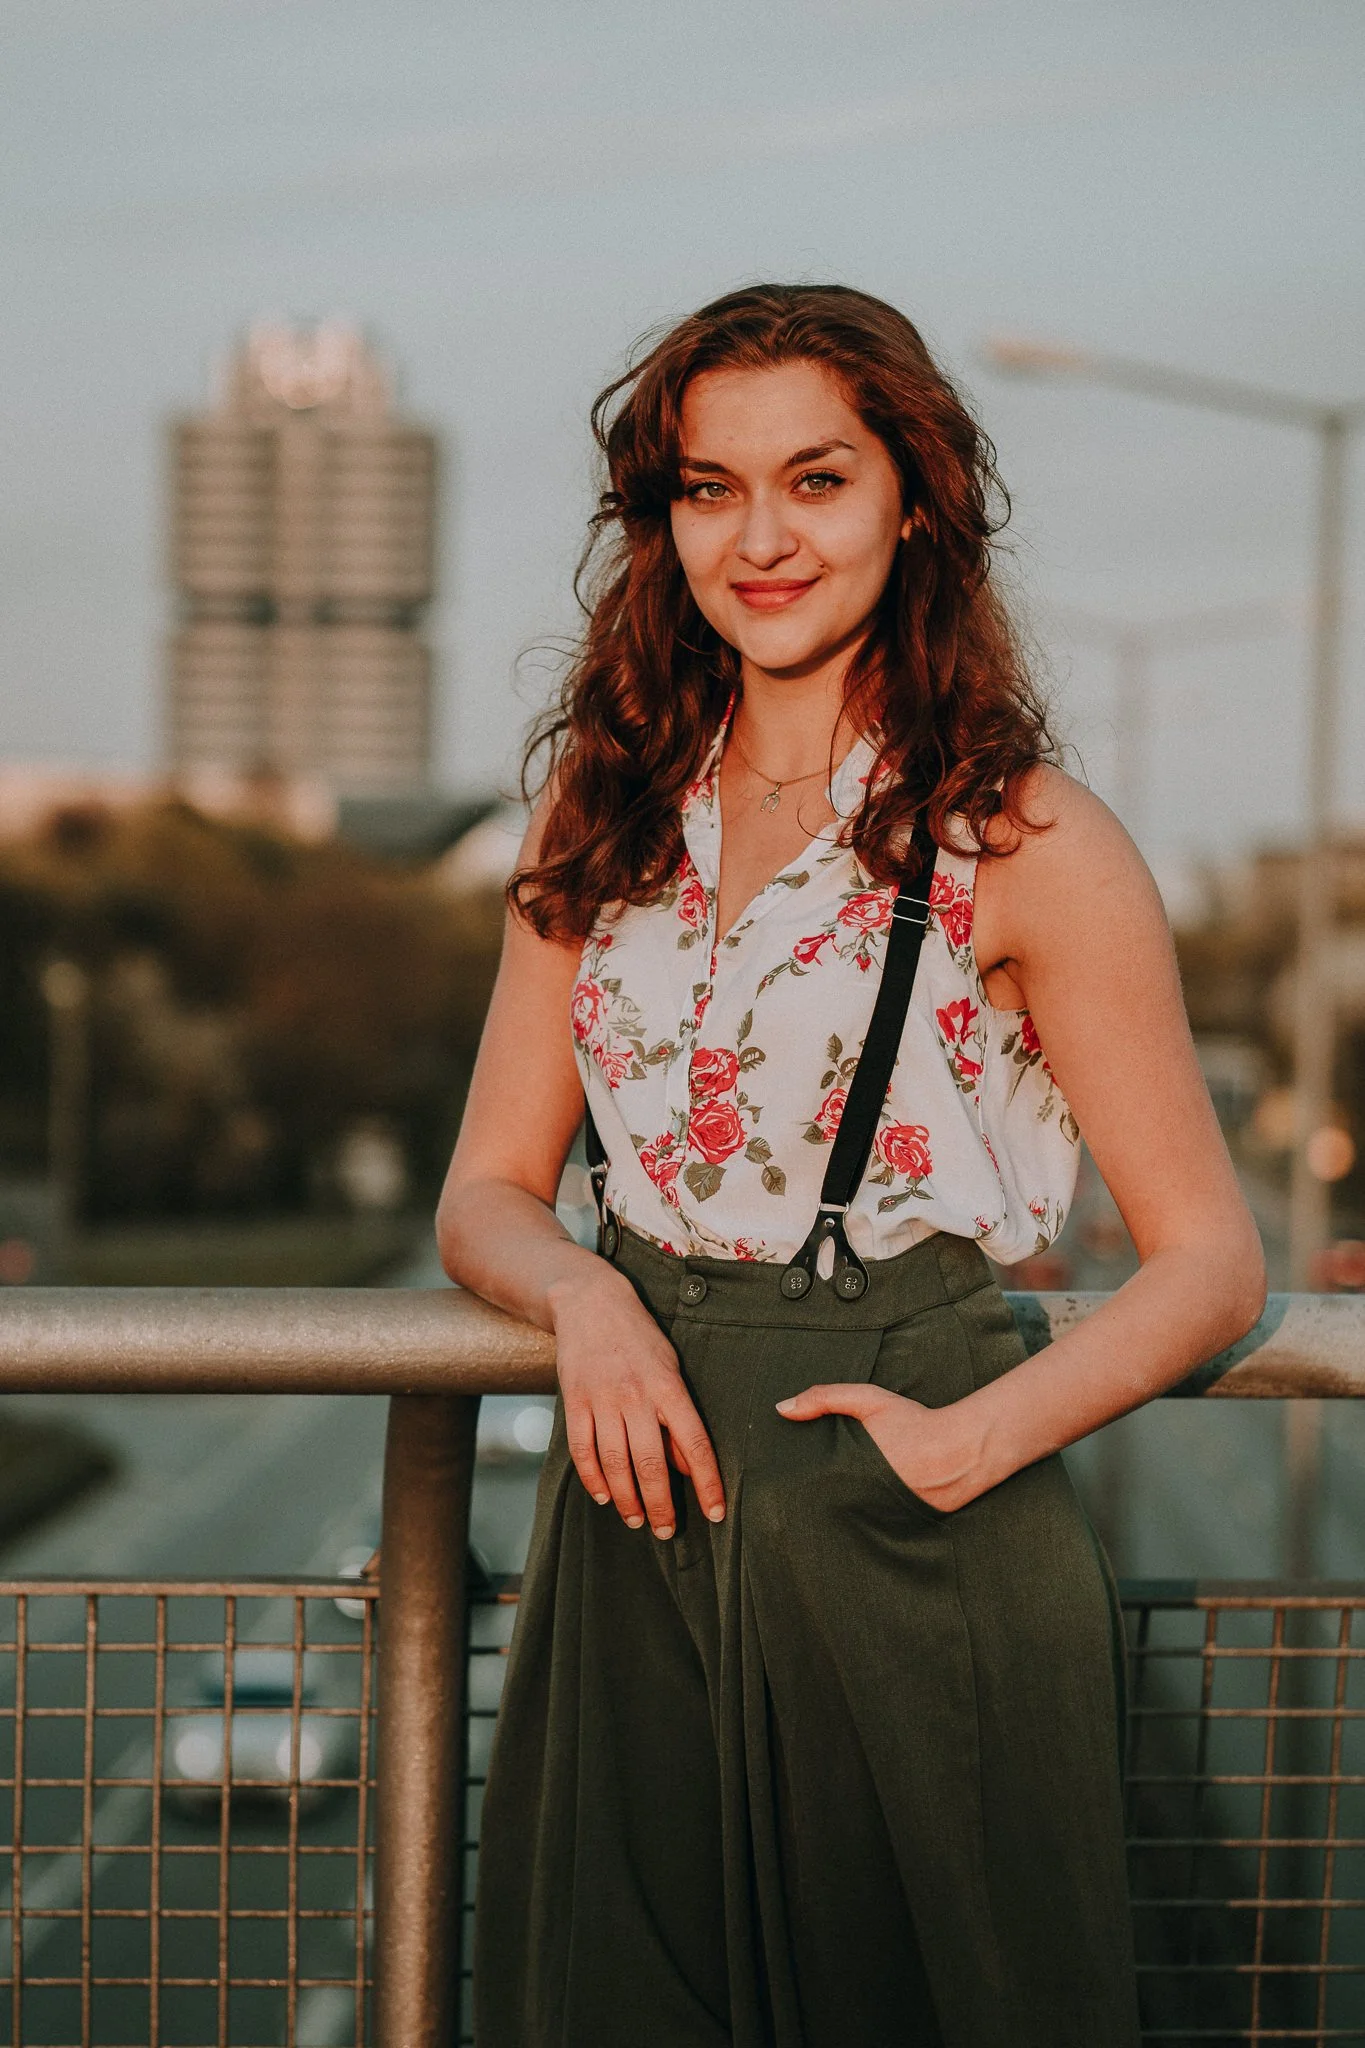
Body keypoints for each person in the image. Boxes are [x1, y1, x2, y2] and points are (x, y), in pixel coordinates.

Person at [437, 283, 1266, 2048]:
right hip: (639, 1499)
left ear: (914, 495)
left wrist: (972, 1440)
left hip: (916, 1491)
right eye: (708, 488)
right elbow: (485, 1186)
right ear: (661, 522)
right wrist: (582, 1294)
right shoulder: (603, 809)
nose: (762, 538)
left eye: (814, 480)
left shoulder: (1026, 836)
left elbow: (1212, 1263)